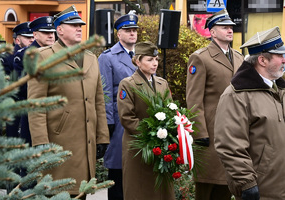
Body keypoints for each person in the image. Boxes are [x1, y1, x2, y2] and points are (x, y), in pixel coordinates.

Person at [27, 5, 109, 198]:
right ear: (60, 30)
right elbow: (36, 104)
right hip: (59, 143)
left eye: (80, 25)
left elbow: (99, 101)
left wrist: (102, 136)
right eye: (73, 25)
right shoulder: (44, 57)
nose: (79, 28)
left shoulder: (90, 58)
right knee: (60, 192)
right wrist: (40, 143)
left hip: (85, 143)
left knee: (81, 193)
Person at [214, 26, 285, 200]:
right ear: (262, 60)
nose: (284, 60)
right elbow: (229, 144)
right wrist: (247, 183)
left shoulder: (280, 88)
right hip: (263, 190)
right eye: (279, 55)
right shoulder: (236, 95)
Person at [185, 8, 244, 200]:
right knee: (207, 187)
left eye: (231, 27)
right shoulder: (200, 58)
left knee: (227, 185)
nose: (229, 30)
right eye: (224, 27)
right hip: (211, 132)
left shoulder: (239, 57)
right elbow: (194, 100)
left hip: (233, 131)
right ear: (212, 32)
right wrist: (200, 133)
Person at [117, 41, 175, 200]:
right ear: (137, 61)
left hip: (161, 148)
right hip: (139, 147)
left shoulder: (162, 83)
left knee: (161, 191)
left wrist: (169, 133)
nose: (155, 63)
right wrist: (153, 133)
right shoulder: (128, 84)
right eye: (149, 60)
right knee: (140, 190)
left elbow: (171, 111)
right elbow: (127, 118)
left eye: (156, 59)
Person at [98, 12, 138, 200]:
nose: (132, 33)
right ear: (118, 34)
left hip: (140, 119)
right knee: (118, 171)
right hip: (119, 121)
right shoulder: (108, 57)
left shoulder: (142, 55)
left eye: (134, 30)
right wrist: (107, 122)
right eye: (127, 30)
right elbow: (104, 92)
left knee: (137, 172)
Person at [13, 16, 56, 146]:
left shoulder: (57, 53)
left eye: (52, 32)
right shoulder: (24, 55)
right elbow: (22, 88)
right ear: (35, 34)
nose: (51, 36)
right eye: (46, 32)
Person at [3, 22, 34, 139]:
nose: (31, 40)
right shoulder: (8, 57)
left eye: (33, 37)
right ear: (17, 40)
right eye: (27, 37)